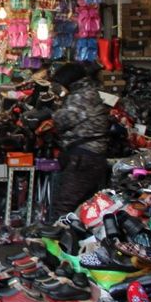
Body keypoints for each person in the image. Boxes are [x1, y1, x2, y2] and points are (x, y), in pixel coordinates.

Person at [50, 63, 110, 221]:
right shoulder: (84, 93)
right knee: (80, 204)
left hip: (85, 156)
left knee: (65, 203)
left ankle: (58, 240)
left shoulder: (82, 96)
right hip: (87, 154)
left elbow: (64, 120)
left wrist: (52, 111)